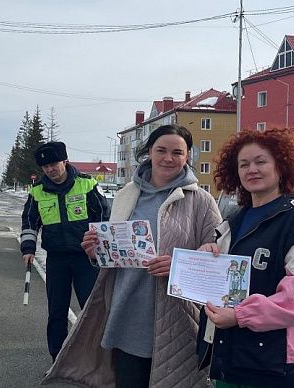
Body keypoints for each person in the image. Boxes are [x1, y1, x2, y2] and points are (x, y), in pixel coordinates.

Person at [43, 125, 222, 387]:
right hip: (128, 313)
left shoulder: (202, 201)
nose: (168, 158)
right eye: (161, 150)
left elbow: (217, 257)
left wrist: (180, 265)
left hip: (178, 320)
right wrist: (96, 251)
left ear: (187, 156)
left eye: (177, 152)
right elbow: (115, 251)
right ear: (149, 151)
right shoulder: (127, 194)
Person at [198, 128, 294, 388]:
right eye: (244, 164)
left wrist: (240, 316)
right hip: (231, 356)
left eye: (261, 162)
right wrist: (208, 253)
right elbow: (226, 276)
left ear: (281, 166)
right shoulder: (235, 218)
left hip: (274, 364)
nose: (251, 170)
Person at [19, 141, 110, 360]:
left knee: (92, 311)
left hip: (86, 259)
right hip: (57, 260)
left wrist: (98, 247)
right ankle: (58, 359)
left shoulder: (86, 184)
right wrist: (28, 248)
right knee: (57, 312)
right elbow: (30, 222)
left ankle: (94, 360)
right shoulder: (37, 192)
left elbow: (103, 216)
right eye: (45, 166)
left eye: (54, 164)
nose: (50, 170)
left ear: (64, 161)